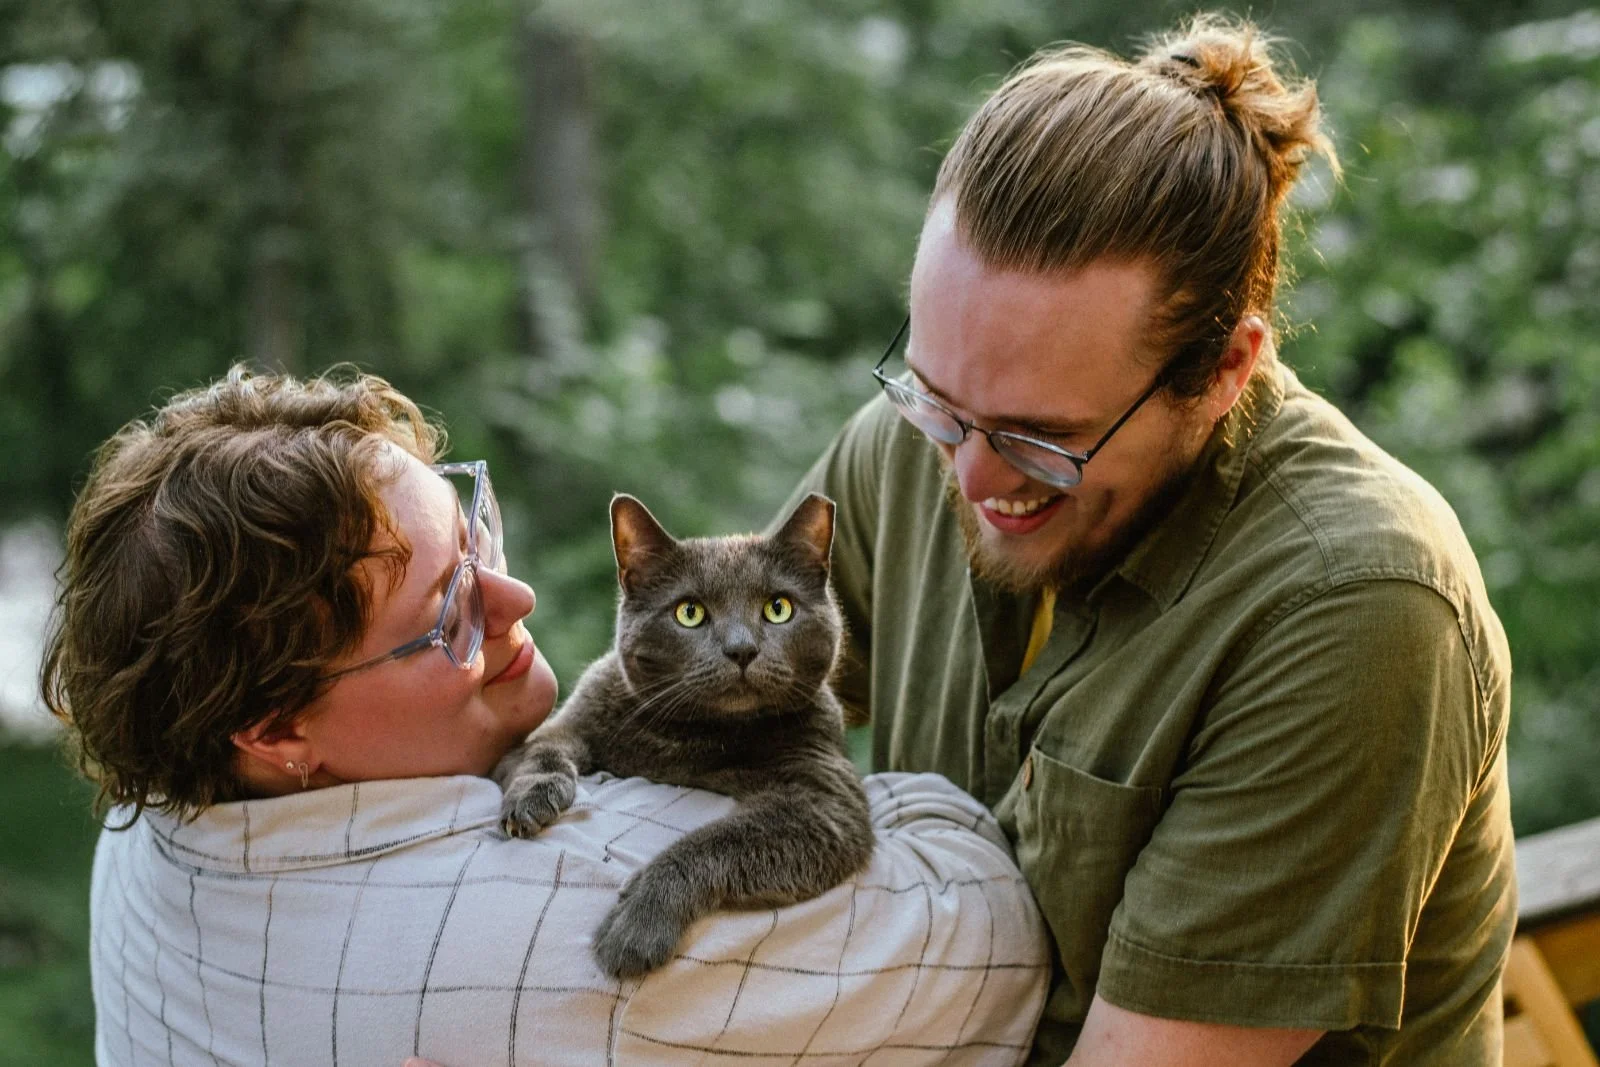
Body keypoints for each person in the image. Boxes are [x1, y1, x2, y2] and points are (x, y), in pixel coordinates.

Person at [779, 13, 1515, 1066]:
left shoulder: (1358, 607)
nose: (971, 478)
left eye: (1042, 438)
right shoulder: (917, 447)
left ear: (1221, 370)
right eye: (937, 398)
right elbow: (697, 719)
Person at [44, 367, 1051, 1066]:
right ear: (275, 730)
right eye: (446, 610)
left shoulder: (143, 833)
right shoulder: (568, 901)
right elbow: (997, 941)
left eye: (475, 535)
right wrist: (916, 798)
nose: (516, 597)